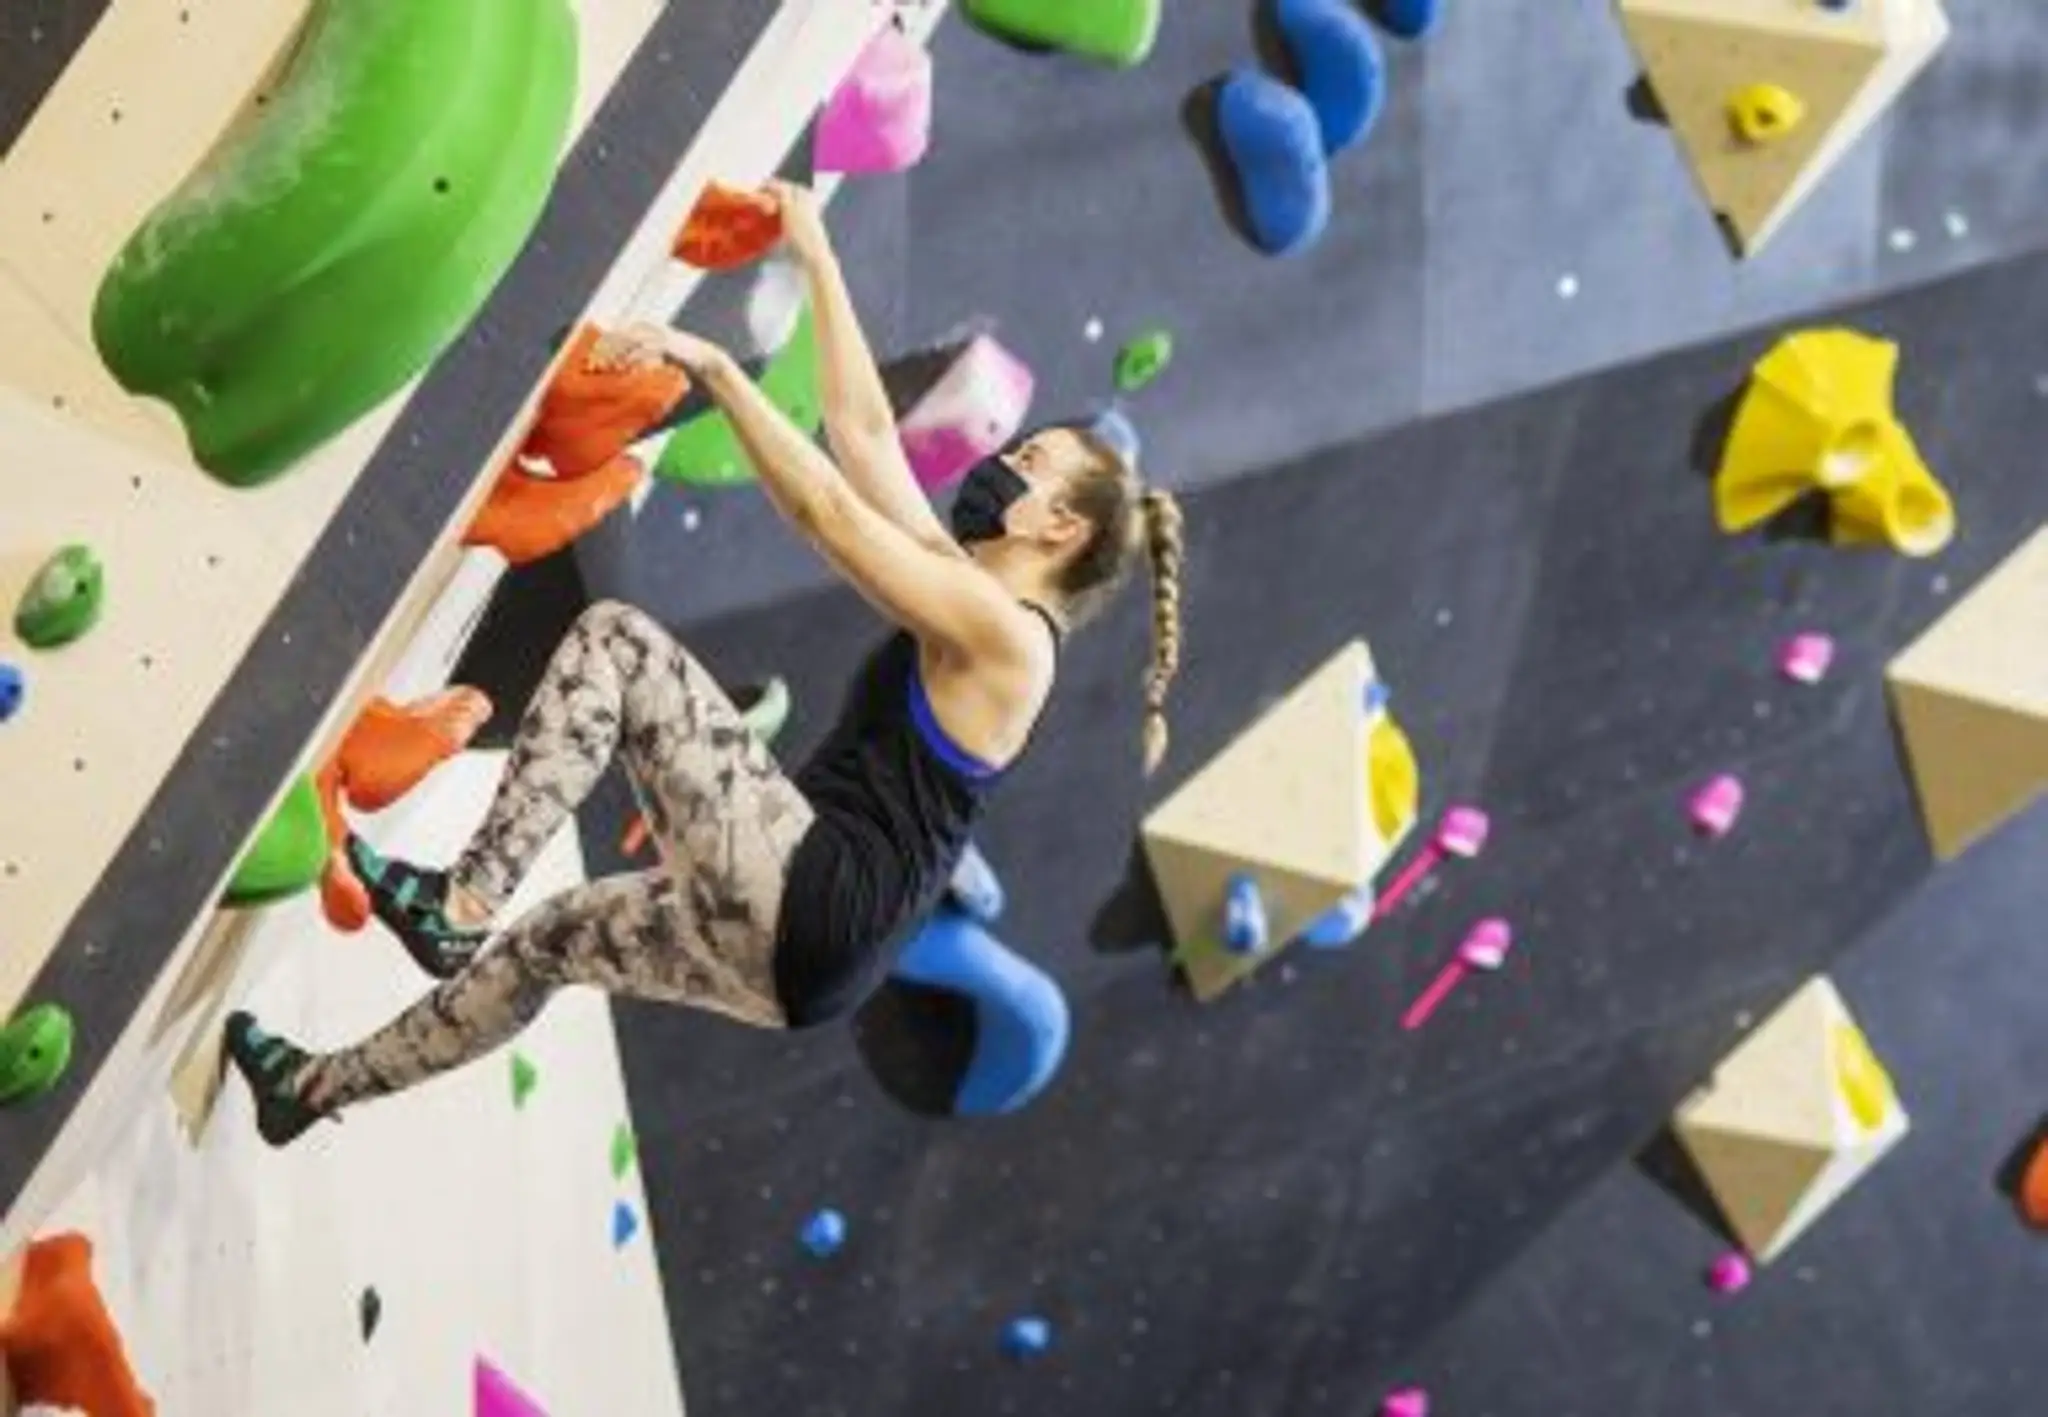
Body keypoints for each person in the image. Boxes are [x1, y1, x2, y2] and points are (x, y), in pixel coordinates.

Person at [223, 180, 1187, 1146]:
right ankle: (306, 1089)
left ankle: (461, 900)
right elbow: (861, 439)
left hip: (813, 895)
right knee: (549, 944)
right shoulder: (969, 588)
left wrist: (717, 370)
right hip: (804, 957)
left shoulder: (1014, 643)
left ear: (1059, 525)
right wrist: (818, 254)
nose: (1003, 462)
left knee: (618, 642)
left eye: (1029, 464)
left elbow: (832, 515)